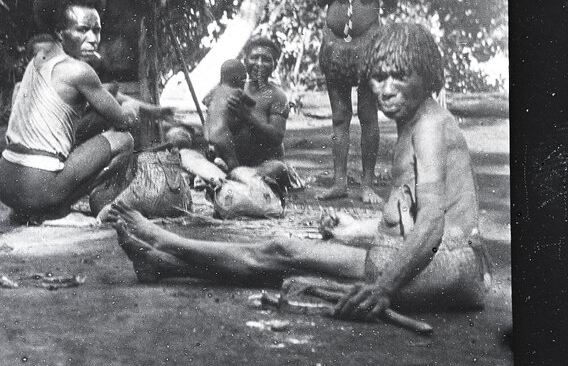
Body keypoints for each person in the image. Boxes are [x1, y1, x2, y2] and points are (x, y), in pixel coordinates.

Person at [109, 22, 492, 321]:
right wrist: (356, 231)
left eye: (400, 77)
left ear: (426, 75)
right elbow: (412, 213)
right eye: (378, 78)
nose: (386, 89)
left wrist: (385, 289)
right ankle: (162, 260)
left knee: (283, 251)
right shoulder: (420, 119)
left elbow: (432, 222)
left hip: (448, 271)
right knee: (288, 258)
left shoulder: (428, 126)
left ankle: (162, 243)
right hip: (446, 269)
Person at [0, 0, 138, 223]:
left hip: (4, 183)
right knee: (124, 140)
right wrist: (132, 106)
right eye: (82, 30)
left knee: (81, 134)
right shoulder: (79, 72)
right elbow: (123, 120)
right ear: (60, 32)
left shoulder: (41, 56)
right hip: (36, 187)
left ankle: (28, 210)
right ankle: (56, 212)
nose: (92, 38)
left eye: (97, 30)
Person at [315, 0, 401, 204]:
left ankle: (367, 184)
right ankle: (339, 182)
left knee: (367, 115)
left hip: (368, 42)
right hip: (334, 43)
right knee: (339, 116)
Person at [203, 37, 290, 171]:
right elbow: (211, 119)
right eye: (254, 57)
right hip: (232, 159)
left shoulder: (278, 97)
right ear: (245, 61)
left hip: (263, 163)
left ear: (275, 64)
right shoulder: (230, 87)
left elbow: (276, 137)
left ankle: (242, 175)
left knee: (277, 168)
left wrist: (246, 116)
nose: (259, 64)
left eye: (266, 59)